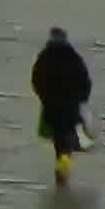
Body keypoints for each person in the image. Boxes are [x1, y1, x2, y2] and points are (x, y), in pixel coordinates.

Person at [32, 28, 91, 184]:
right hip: (70, 106)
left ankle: (61, 164)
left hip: (51, 106)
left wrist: (43, 96)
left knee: (58, 139)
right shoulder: (73, 57)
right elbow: (84, 80)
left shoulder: (44, 57)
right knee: (67, 136)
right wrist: (82, 98)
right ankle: (63, 165)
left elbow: (36, 79)